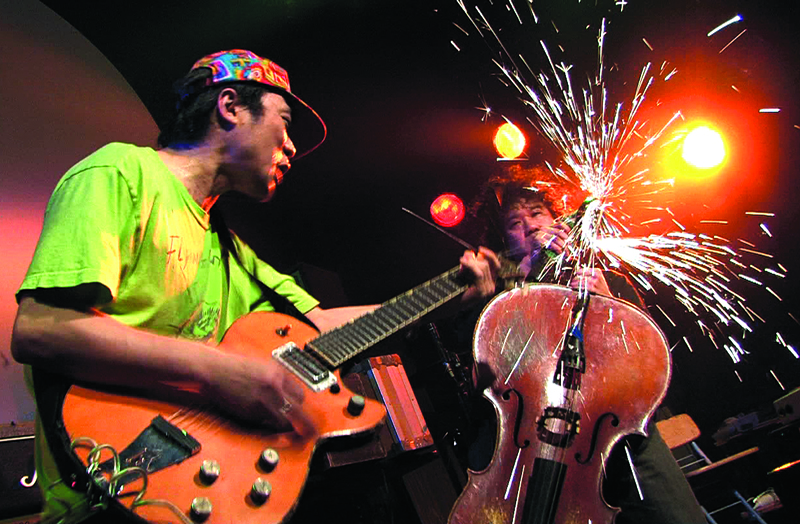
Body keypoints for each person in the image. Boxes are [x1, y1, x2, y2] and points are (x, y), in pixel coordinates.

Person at [10, 49, 498, 524]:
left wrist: (445, 296)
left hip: (184, 493)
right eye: (284, 122)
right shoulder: (121, 173)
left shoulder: (231, 250)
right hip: (101, 494)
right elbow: (41, 329)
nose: (290, 147)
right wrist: (220, 371)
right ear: (230, 107)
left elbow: (321, 327)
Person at [445, 164, 707, 524]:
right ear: (506, 243)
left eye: (537, 213)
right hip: (543, 451)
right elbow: (471, 350)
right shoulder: (503, 299)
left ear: (558, 221)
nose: (531, 226)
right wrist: (495, 292)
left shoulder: (606, 280)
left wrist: (611, 308)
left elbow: (650, 364)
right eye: (515, 223)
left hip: (623, 445)